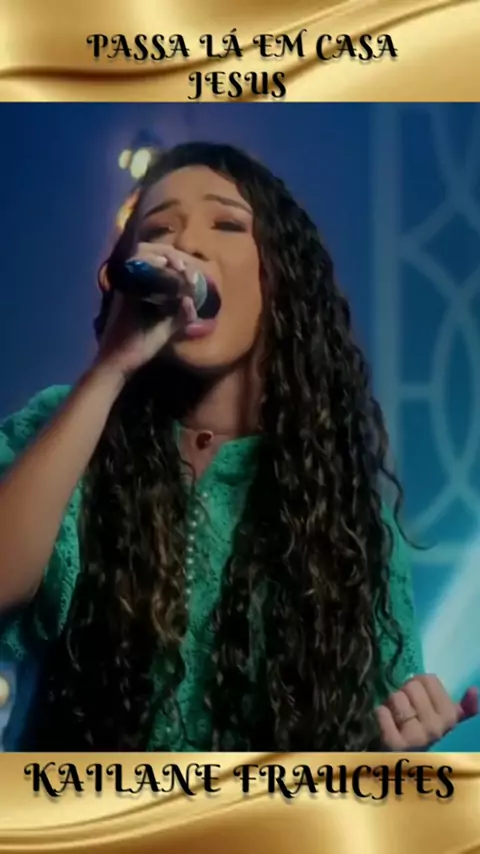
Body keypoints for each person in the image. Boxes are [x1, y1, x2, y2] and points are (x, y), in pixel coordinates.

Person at [0, 142, 476, 752]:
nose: (186, 246)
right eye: (159, 230)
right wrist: (112, 366)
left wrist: (388, 755)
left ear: (278, 276)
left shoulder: (346, 519)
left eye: (225, 224)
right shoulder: (67, 430)